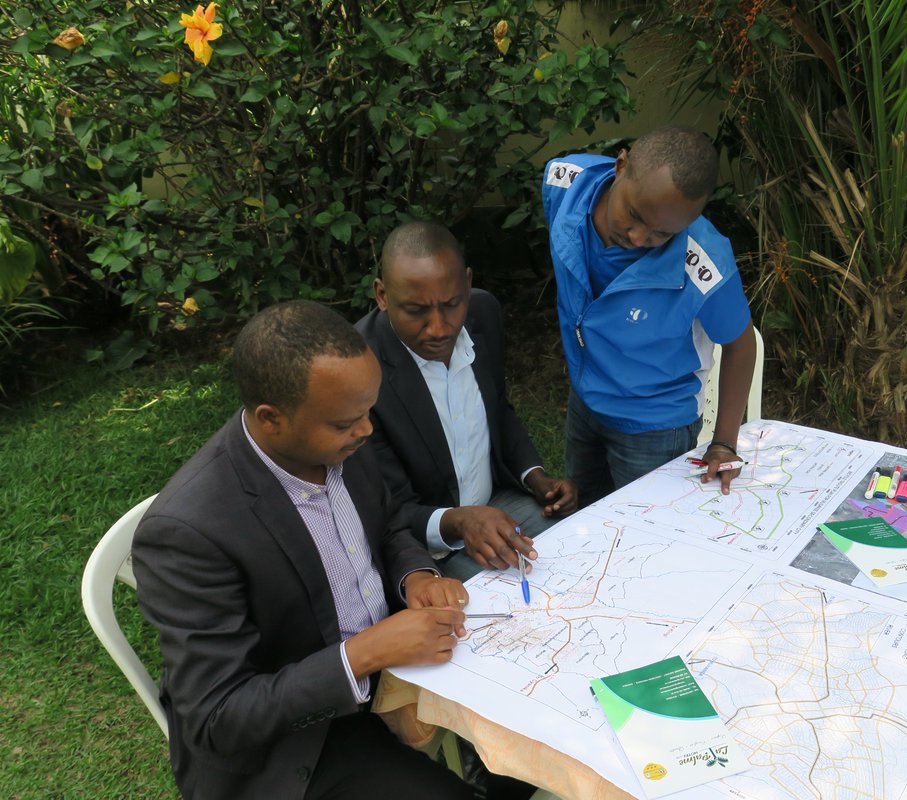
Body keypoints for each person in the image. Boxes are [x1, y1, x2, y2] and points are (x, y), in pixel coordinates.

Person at [132, 300, 476, 800]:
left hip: (392, 668)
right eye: (345, 423)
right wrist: (362, 655)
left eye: (368, 411)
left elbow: (388, 529)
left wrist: (416, 578)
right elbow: (217, 717)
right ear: (272, 419)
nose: (366, 431)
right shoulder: (188, 532)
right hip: (300, 741)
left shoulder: (340, 441)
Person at [541, 124, 758, 507]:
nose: (639, 238)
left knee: (643, 539)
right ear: (620, 166)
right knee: (584, 519)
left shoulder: (704, 264)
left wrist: (724, 441)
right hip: (585, 401)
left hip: (655, 426)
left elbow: (740, 344)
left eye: (662, 234)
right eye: (634, 215)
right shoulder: (564, 184)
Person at [357, 221, 577, 580]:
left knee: (581, 551)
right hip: (419, 547)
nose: (440, 327)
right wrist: (460, 521)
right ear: (381, 295)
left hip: (496, 506)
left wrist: (536, 477)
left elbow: (498, 410)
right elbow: (382, 506)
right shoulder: (359, 369)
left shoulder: (483, 313)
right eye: (416, 310)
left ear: (468, 283)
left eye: (452, 304)